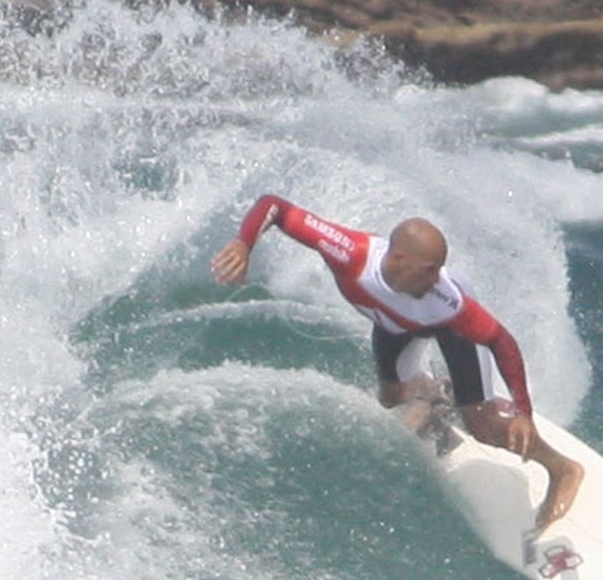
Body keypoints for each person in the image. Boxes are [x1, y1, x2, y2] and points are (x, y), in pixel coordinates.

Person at [210, 193, 583, 529]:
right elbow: (276, 206)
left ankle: (562, 469)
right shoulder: (349, 253)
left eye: (441, 269)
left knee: (482, 426)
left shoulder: (447, 302)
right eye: (430, 269)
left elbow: (501, 341)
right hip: (390, 323)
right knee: (391, 397)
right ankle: (441, 397)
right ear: (399, 259)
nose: (437, 278)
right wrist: (245, 242)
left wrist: (524, 412)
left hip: (447, 330)